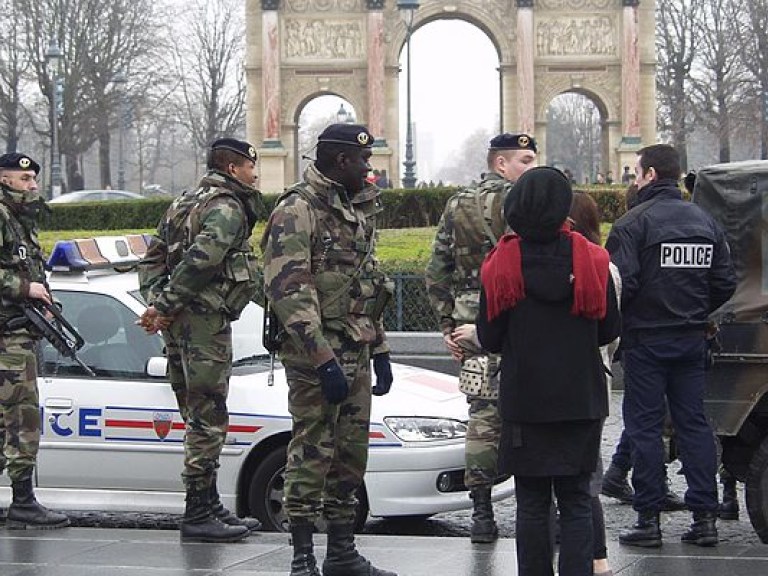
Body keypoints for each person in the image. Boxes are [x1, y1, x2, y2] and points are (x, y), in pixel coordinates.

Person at [261, 123, 396, 576]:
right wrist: (322, 360)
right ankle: (302, 557)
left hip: (354, 349)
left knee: (351, 454)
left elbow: (368, 284)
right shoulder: (298, 209)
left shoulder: (357, 209)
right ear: (341, 162)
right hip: (313, 357)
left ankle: (341, 551)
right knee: (311, 452)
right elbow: (289, 289)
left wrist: (380, 349)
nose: (368, 168)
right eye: (363, 161)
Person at [477, 167, 621, 576]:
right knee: (576, 500)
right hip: (580, 397)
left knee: (533, 502)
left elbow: (489, 337)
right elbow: (609, 330)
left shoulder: (501, 263)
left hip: (526, 401)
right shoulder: (593, 260)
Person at [607, 144, 736, 548]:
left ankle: (648, 519)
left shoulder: (631, 224)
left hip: (646, 340)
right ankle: (705, 519)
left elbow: (618, 286)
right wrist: (695, 311)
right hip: (691, 338)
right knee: (694, 425)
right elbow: (725, 281)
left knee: (644, 428)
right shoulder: (705, 221)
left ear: (647, 175)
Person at [137, 138, 263, 543]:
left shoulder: (182, 202)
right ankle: (197, 511)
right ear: (231, 169)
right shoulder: (225, 207)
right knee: (208, 416)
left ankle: (208, 503)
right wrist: (166, 305)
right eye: (249, 166)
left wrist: (159, 304)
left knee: (195, 413)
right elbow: (202, 260)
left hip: (179, 322)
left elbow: (151, 258)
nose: (254, 174)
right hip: (204, 322)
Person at [425, 132, 537, 543]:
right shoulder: (526, 204)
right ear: (500, 164)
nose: (532, 168)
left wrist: (446, 325)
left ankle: (481, 513)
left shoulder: (457, 205)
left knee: (483, 417)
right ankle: (537, 508)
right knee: (532, 413)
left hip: (470, 316)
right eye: (524, 160)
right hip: (522, 316)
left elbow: (436, 272)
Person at [0, 152, 70, 530]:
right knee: (22, 416)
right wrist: (25, 288)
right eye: (24, 180)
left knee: (7, 422)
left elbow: (29, 269)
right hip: (6, 337)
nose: (32, 187)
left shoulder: (19, 220)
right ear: (5, 180)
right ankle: (23, 501)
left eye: (34, 181)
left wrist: (43, 300)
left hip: (19, 331)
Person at [568, 191, 618, 576]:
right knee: (587, 474)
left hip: (546, 383)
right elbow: (611, 334)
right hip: (594, 381)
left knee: (546, 483)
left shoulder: (541, 259)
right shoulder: (607, 266)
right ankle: (596, 555)